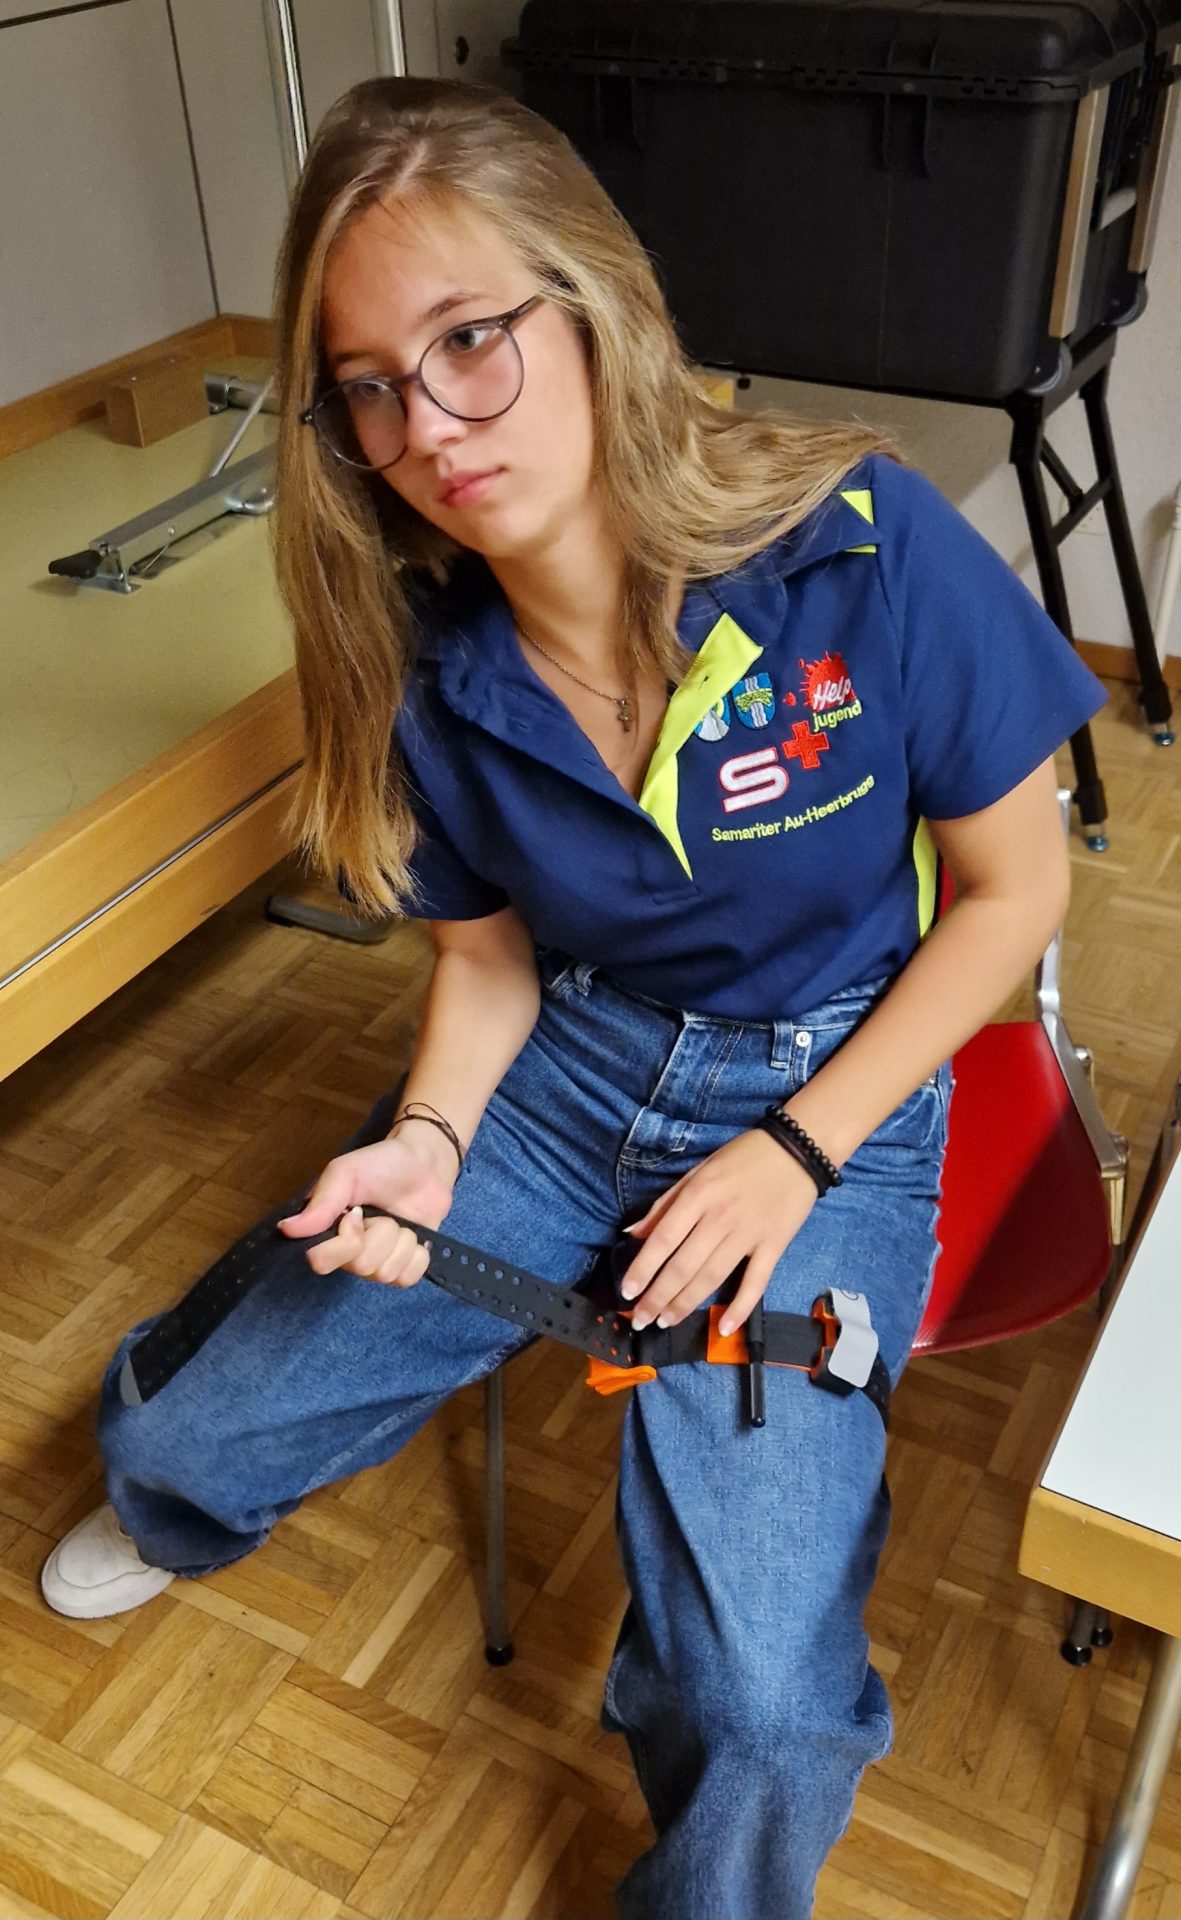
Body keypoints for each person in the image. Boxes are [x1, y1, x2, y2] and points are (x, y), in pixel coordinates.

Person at [40, 76, 1108, 1919]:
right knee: (163, 1445)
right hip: (565, 1065)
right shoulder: (411, 654)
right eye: (370, 385)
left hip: (836, 1094)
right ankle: (197, 1490)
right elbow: (483, 959)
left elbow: (1015, 895)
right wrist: (427, 1141)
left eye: (470, 339)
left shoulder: (860, 537)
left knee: (758, 1714)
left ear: (593, 302)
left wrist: (790, 1152)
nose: (429, 427)